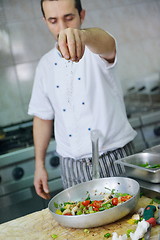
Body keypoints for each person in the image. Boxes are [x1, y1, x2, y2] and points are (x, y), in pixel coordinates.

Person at [28, 0, 137, 200]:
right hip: (72, 168)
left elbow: (108, 43)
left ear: (82, 15)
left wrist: (82, 35)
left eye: (69, 18)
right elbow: (42, 117)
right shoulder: (45, 65)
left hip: (115, 158)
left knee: (132, 227)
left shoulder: (98, 49)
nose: (62, 28)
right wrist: (39, 165)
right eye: (53, 21)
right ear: (45, 21)